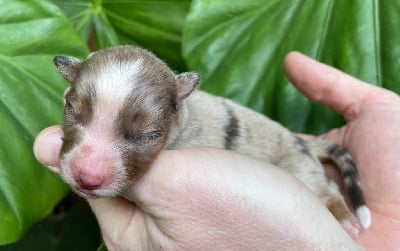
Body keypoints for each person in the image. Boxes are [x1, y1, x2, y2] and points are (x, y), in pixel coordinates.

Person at [33, 51, 400, 251]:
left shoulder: (196, 126)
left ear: (181, 102)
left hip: (287, 153)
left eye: (142, 136)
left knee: (305, 175)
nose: (89, 170)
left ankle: (335, 200)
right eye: (76, 116)